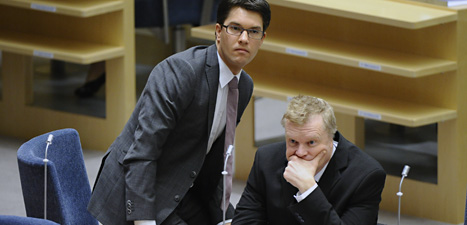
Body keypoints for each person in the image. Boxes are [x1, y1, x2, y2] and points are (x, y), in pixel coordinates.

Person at [87, 1, 271, 225]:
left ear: (262, 39)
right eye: (235, 28)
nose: (243, 39)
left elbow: (214, 160)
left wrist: (224, 216)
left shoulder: (244, 87)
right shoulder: (181, 72)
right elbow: (141, 154)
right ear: (218, 32)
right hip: (135, 192)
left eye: (253, 32)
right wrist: (144, 222)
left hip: (182, 186)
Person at [232, 95, 386, 225]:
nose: (300, 152)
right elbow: (244, 221)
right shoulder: (266, 159)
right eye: (292, 141)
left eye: (311, 143)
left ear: (331, 138)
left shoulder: (366, 176)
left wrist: (309, 190)